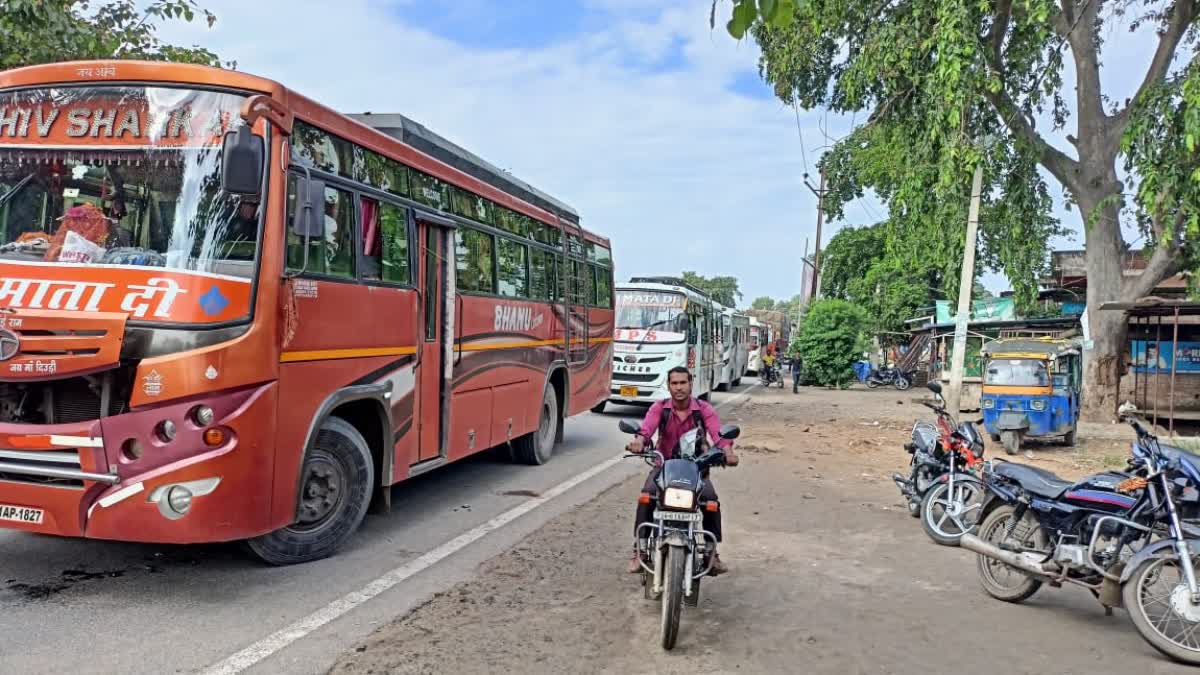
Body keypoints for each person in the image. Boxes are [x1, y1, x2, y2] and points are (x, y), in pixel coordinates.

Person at [625, 367, 740, 575]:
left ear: (691, 384)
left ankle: (711, 553)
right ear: (668, 386)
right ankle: (640, 550)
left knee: (711, 500)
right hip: (665, 468)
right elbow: (646, 429)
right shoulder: (660, 408)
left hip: (696, 469)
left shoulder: (703, 409)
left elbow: (719, 435)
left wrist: (728, 452)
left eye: (683, 383)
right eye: (674, 383)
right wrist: (639, 442)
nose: (679, 387)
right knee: (647, 495)